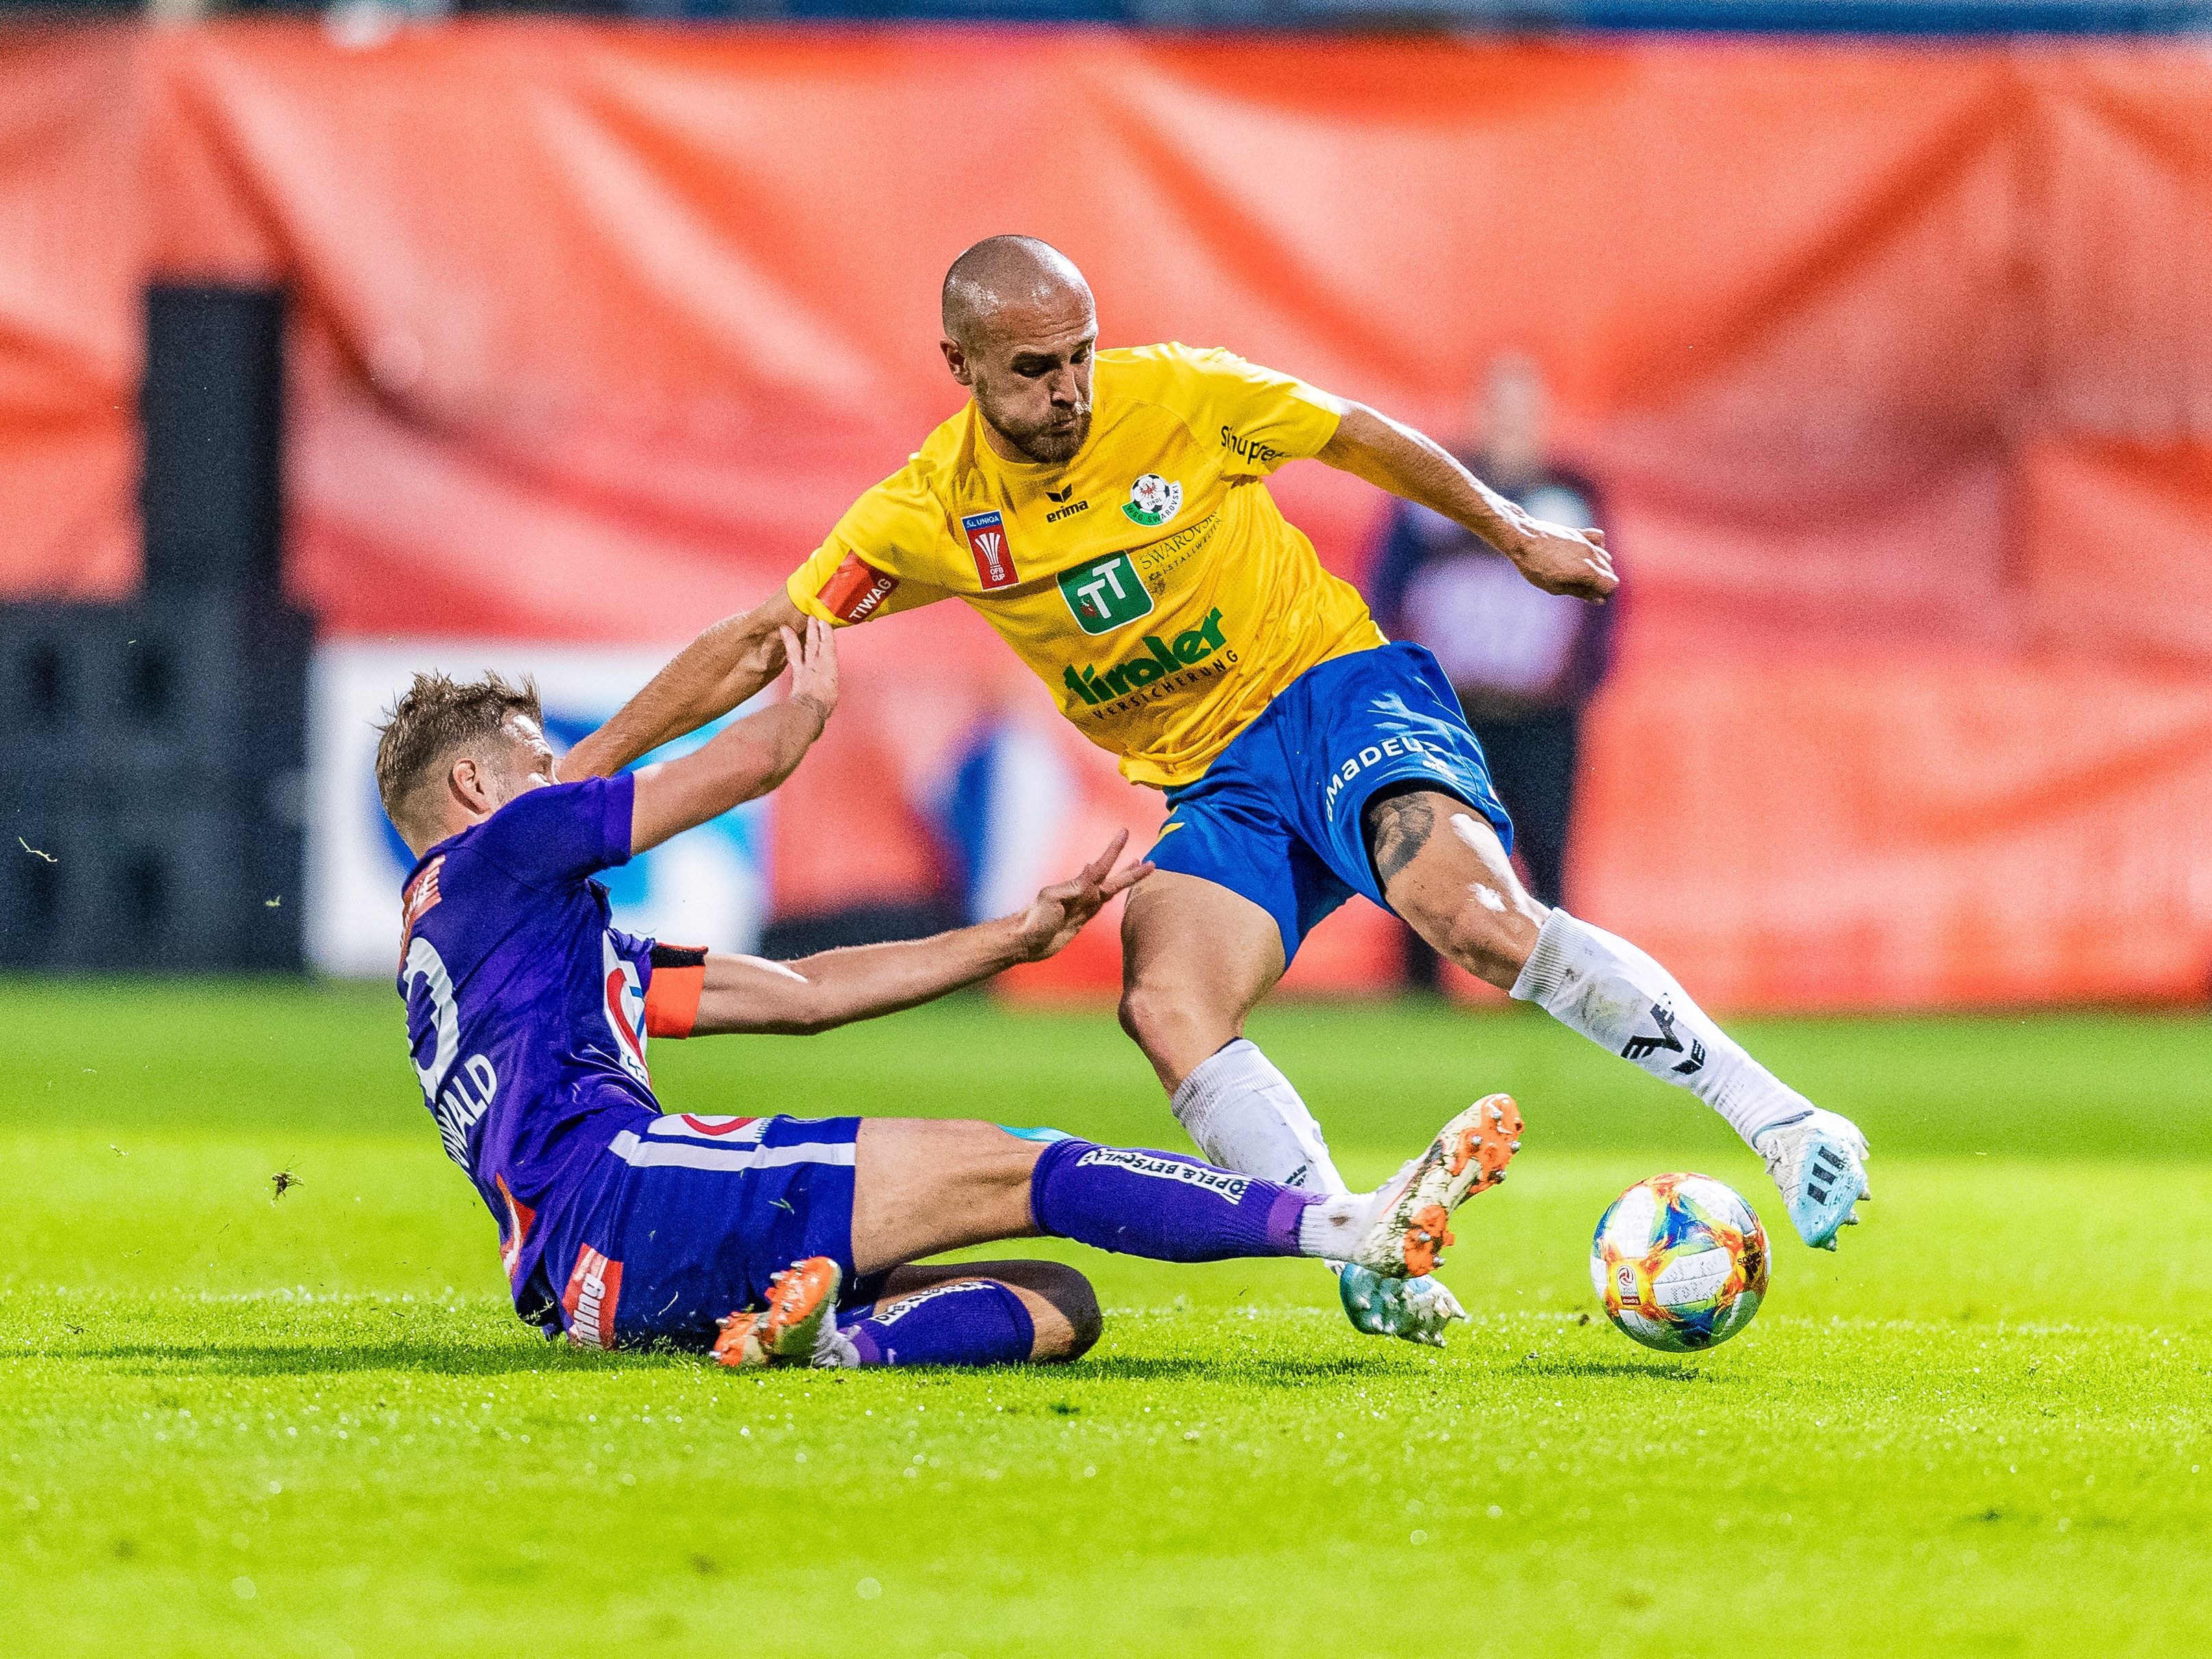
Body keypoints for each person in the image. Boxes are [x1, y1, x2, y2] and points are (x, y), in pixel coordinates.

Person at [560, 236, 1871, 1351]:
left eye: (1079, 352)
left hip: (1333, 693)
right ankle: (1361, 1246)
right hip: (1214, 785)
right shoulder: (925, 514)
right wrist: (577, 775)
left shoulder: (1178, 395)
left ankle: (1783, 1119)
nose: (1069, 386)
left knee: (1472, 919)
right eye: (1033, 368)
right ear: (958, 367)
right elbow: (758, 639)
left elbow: (1351, 433)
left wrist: (1508, 530)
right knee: (1163, 998)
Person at [377, 628, 1523, 1367]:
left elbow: (803, 991)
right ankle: (1351, 1226)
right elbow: (738, 767)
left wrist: (1013, 939)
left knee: (1055, 1303)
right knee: (1030, 1164)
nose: (555, 774)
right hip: (630, 1194)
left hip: (581, 1280)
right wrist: (805, 675)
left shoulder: (494, 936)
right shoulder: (506, 850)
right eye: (536, 761)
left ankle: (832, 1341)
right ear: (474, 785)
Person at [1365, 351, 1613, 917]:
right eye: (1499, 408)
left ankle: (1554, 983)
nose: (1509, 423)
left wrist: (1578, 680)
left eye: (1522, 409)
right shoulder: (1430, 488)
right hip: (1447, 710)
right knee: (1427, 848)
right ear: (1478, 412)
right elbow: (1386, 586)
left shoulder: (1572, 494)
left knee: (1548, 857)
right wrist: (1406, 684)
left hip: (1543, 714)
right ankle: (1420, 991)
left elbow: (1604, 596)